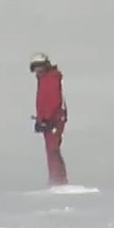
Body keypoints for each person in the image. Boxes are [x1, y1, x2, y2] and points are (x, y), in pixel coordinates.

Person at [30, 52, 68, 186]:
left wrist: (46, 119)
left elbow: (54, 100)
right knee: (50, 148)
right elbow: (43, 102)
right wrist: (40, 119)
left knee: (53, 148)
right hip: (49, 119)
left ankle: (59, 179)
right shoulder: (43, 79)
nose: (38, 71)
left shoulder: (51, 78)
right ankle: (56, 177)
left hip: (55, 119)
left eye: (40, 67)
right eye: (35, 68)